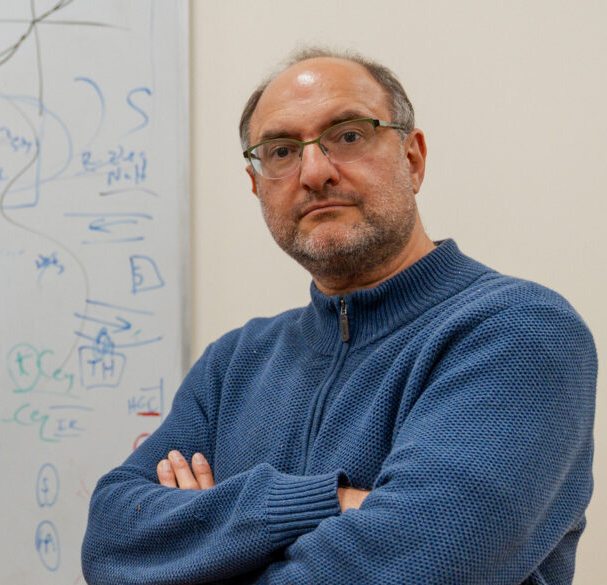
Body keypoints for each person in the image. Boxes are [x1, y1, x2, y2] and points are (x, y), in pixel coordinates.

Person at [80, 47, 597, 585]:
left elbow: (420, 564)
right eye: (280, 150)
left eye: (349, 135)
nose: (314, 171)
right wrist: (325, 501)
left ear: (412, 159)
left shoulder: (518, 331)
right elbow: (112, 541)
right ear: (257, 186)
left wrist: (210, 548)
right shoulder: (234, 362)